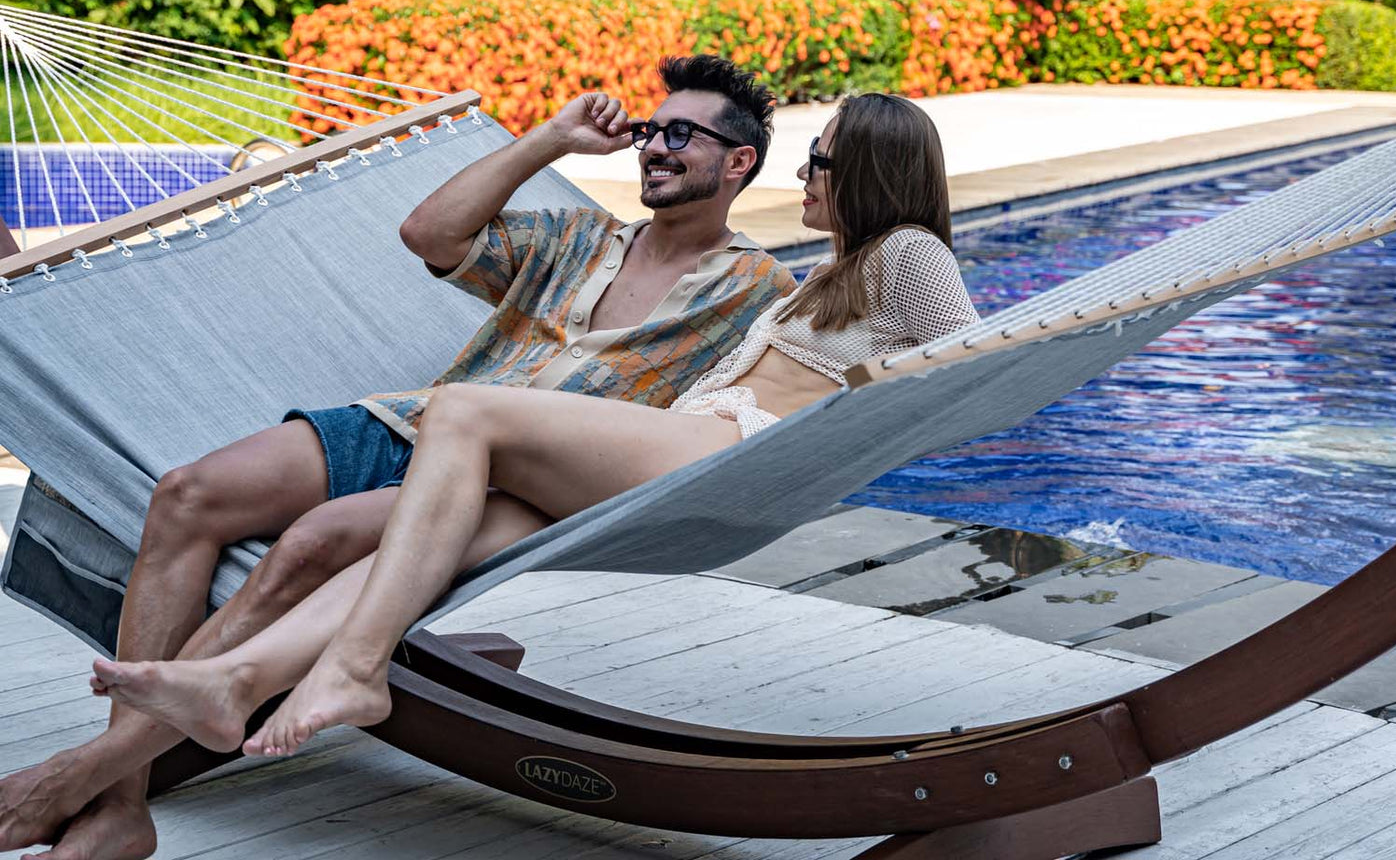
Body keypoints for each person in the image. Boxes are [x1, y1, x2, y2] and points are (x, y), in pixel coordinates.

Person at [0, 56, 795, 860]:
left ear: (738, 162)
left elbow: (801, 383)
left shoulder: (759, 289)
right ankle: (118, 801)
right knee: (186, 493)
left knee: (309, 544)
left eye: (682, 135)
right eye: (653, 130)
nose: (657, 145)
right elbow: (430, 233)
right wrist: (549, 140)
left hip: (506, 477)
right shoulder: (579, 236)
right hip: (414, 418)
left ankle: (87, 778)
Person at [85, 93, 979, 767]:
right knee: (398, 538)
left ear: (862, 166)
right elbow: (430, 234)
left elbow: (973, 366)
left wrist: (857, 426)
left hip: (720, 453)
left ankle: (353, 668)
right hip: (669, 452)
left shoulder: (906, 253)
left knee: (464, 410)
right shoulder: (837, 270)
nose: (804, 178)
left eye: (817, 162)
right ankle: (237, 679)